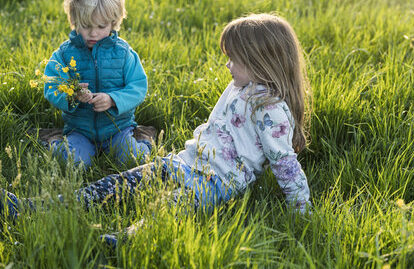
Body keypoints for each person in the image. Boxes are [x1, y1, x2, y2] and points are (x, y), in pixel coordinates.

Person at [1, 13, 312, 243]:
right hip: (185, 161)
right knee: (118, 183)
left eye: (235, 60)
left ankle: (122, 241)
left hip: (217, 181)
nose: (228, 65)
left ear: (262, 62)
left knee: (170, 208)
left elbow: (285, 164)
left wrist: (301, 213)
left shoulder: (270, 110)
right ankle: (32, 208)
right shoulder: (240, 85)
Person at [40, 0, 155, 168]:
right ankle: (56, 141)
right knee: (73, 164)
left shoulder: (124, 53)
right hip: (79, 129)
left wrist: (113, 99)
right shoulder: (65, 54)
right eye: (85, 26)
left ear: (113, 22)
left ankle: (142, 138)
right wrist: (72, 95)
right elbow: (51, 85)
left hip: (118, 128)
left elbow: (138, 87)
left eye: (101, 26)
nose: (93, 33)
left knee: (133, 160)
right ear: (74, 21)